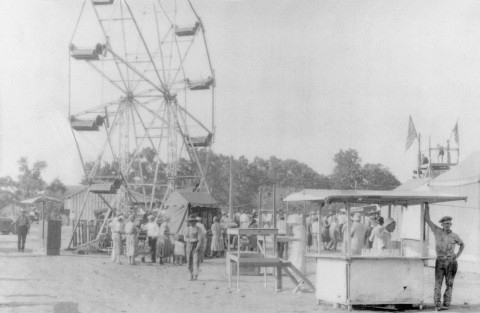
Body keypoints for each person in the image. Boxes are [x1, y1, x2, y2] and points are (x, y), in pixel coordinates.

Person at [425, 205, 464, 311]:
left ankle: (446, 304)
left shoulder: (454, 235)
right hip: (440, 260)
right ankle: (437, 304)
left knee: (449, 283)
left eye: (449, 223)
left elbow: (462, 244)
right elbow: (427, 220)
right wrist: (427, 205)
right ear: (441, 224)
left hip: (451, 261)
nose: (447, 225)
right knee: (438, 283)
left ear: (451, 224)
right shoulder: (437, 231)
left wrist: (457, 255)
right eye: (445, 223)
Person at [184, 214, 203, 281]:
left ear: (196, 222)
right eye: (190, 221)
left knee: (196, 261)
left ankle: (195, 275)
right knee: (189, 262)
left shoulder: (199, 229)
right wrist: (192, 240)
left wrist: (197, 248)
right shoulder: (187, 229)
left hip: (196, 246)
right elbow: (185, 238)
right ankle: (191, 275)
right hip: (189, 246)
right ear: (188, 222)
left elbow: (200, 239)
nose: (192, 223)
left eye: (193, 221)